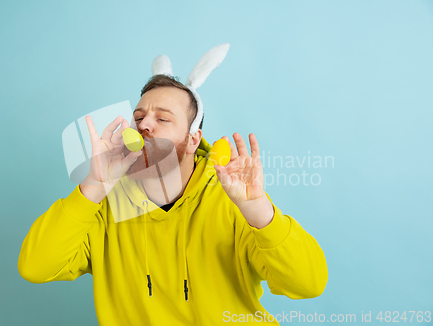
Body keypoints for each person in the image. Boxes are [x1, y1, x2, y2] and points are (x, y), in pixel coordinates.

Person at [18, 44, 328, 325]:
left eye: (162, 119)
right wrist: (96, 184)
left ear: (193, 139)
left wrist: (258, 209)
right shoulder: (104, 208)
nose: (144, 125)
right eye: (138, 117)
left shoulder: (232, 200)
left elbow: (309, 283)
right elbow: (35, 267)